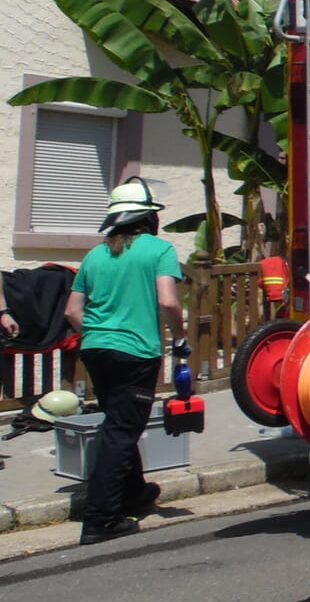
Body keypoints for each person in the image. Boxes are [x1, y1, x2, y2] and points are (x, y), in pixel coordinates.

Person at [63, 178, 188, 545]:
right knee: (120, 431)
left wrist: (103, 334)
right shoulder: (159, 250)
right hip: (136, 352)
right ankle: (100, 519)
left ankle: (134, 492)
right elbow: (168, 302)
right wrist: (179, 338)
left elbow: (73, 311)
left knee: (118, 421)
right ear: (149, 219)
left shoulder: (95, 255)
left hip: (96, 349)